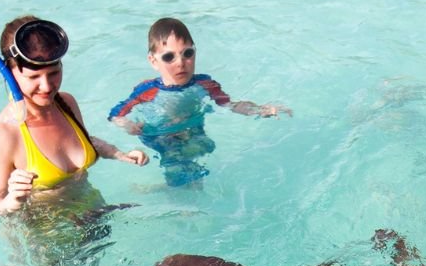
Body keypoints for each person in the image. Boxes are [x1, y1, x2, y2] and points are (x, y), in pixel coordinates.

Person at [0, 16, 148, 217]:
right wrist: (9, 202)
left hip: (95, 215)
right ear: (9, 72)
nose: (47, 86)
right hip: (49, 239)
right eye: (34, 77)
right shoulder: (5, 132)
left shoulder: (66, 103)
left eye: (53, 73)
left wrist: (119, 154)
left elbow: (87, 141)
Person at [107, 17, 290, 186]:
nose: (181, 62)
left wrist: (259, 110)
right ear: (153, 61)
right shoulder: (148, 90)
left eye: (187, 53)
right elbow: (116, 113)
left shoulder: (205, 84)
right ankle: (180, 197)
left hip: (192, 130)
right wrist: (127, 124)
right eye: (169, 57)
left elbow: (230, 104)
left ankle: (170, 187)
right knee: (180, 168)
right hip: (160, 135)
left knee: (206, 147)